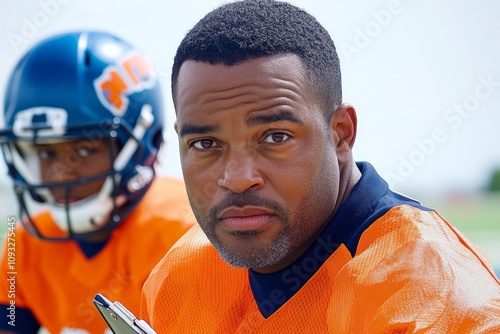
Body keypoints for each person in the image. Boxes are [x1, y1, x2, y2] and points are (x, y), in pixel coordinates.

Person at [139, 0, 500, 332]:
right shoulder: (178, 275)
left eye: (275, 137)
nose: (237, 179)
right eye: (205, 144)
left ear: (341, 135)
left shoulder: (433, 295)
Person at [0, 31, 196, 333]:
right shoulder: (27, 244)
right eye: (45, 151)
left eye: (84, 149)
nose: (61, 172)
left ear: (142, 143)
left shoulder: (186, 236)